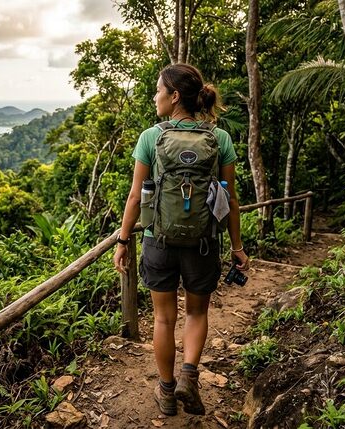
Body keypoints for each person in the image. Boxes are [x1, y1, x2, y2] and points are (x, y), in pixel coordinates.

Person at [113, 63, 249, 416]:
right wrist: (237, 246)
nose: (154, 96)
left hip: (159, 240)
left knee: (163, 318)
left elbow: (134, 197)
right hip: (203, 242)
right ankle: (189, 375)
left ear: (174, 97)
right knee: (196, 312)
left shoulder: (151, 137)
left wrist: (123, 239)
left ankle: (168, 392)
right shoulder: (219, 139)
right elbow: (230, 198)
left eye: (159, 90)